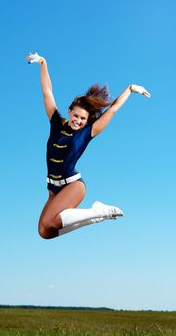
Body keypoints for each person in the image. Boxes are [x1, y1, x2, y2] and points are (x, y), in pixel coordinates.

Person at [26, 52, 151, 239]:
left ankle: (98, 211)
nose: (78, 121)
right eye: (76, 116)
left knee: (50, 222)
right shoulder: (56, 123)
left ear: (86, 121)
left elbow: (113, 109)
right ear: (69, 112)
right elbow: (47, 91)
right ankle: (96, 216)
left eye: (83, 118)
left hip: (73, 186)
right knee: (45, 231)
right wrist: (43, 63)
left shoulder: (87, 133)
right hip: (53, 188)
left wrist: (130, 89)